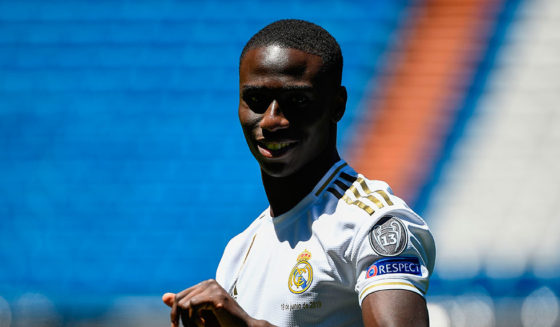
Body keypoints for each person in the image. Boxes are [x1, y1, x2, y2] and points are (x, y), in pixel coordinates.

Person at [163, 19, 435, 327]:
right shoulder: (239, 251)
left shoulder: (373, 223)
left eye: (297, 101)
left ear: (337, 105)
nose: (271, 120)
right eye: (256, 100)